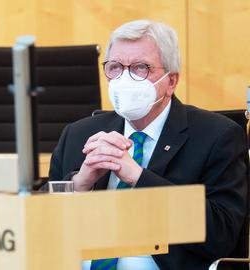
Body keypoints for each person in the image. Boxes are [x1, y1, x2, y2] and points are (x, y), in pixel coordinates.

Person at [49, 19, 248, 270]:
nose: (125, 78)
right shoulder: (78, 135)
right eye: (115, 67)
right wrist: (79, 185)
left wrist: (139, 177)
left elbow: (222, 235)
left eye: (140, 68)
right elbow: (42, 230)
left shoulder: (217, 136)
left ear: (171, 81)